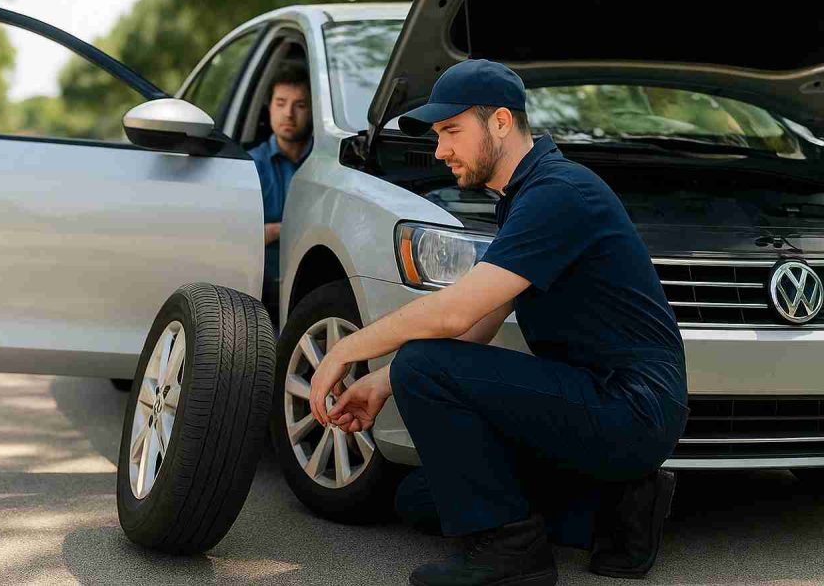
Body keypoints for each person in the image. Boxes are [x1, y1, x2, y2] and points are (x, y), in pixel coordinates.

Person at [308, 59, 688, 586]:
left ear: (502, 123)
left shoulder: (560, 193)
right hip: (594, 401)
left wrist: (345, 351)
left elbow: (455, 311)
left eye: (451, 131)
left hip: (628, 405)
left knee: (423, 364)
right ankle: (615, 508)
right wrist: (381, 381)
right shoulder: (527, 199)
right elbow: (480, 323)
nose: (440, 151)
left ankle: (512, 557)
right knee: (419, 498)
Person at [248, 63, 313, 320]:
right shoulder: (249, 166)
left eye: (300, 105)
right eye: (281, 102)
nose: (288, 113)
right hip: (258, 295)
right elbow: (237, 239)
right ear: (269, 108)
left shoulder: (329, 165)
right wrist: (278, 230)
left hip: (315, 291)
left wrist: (273, 231)